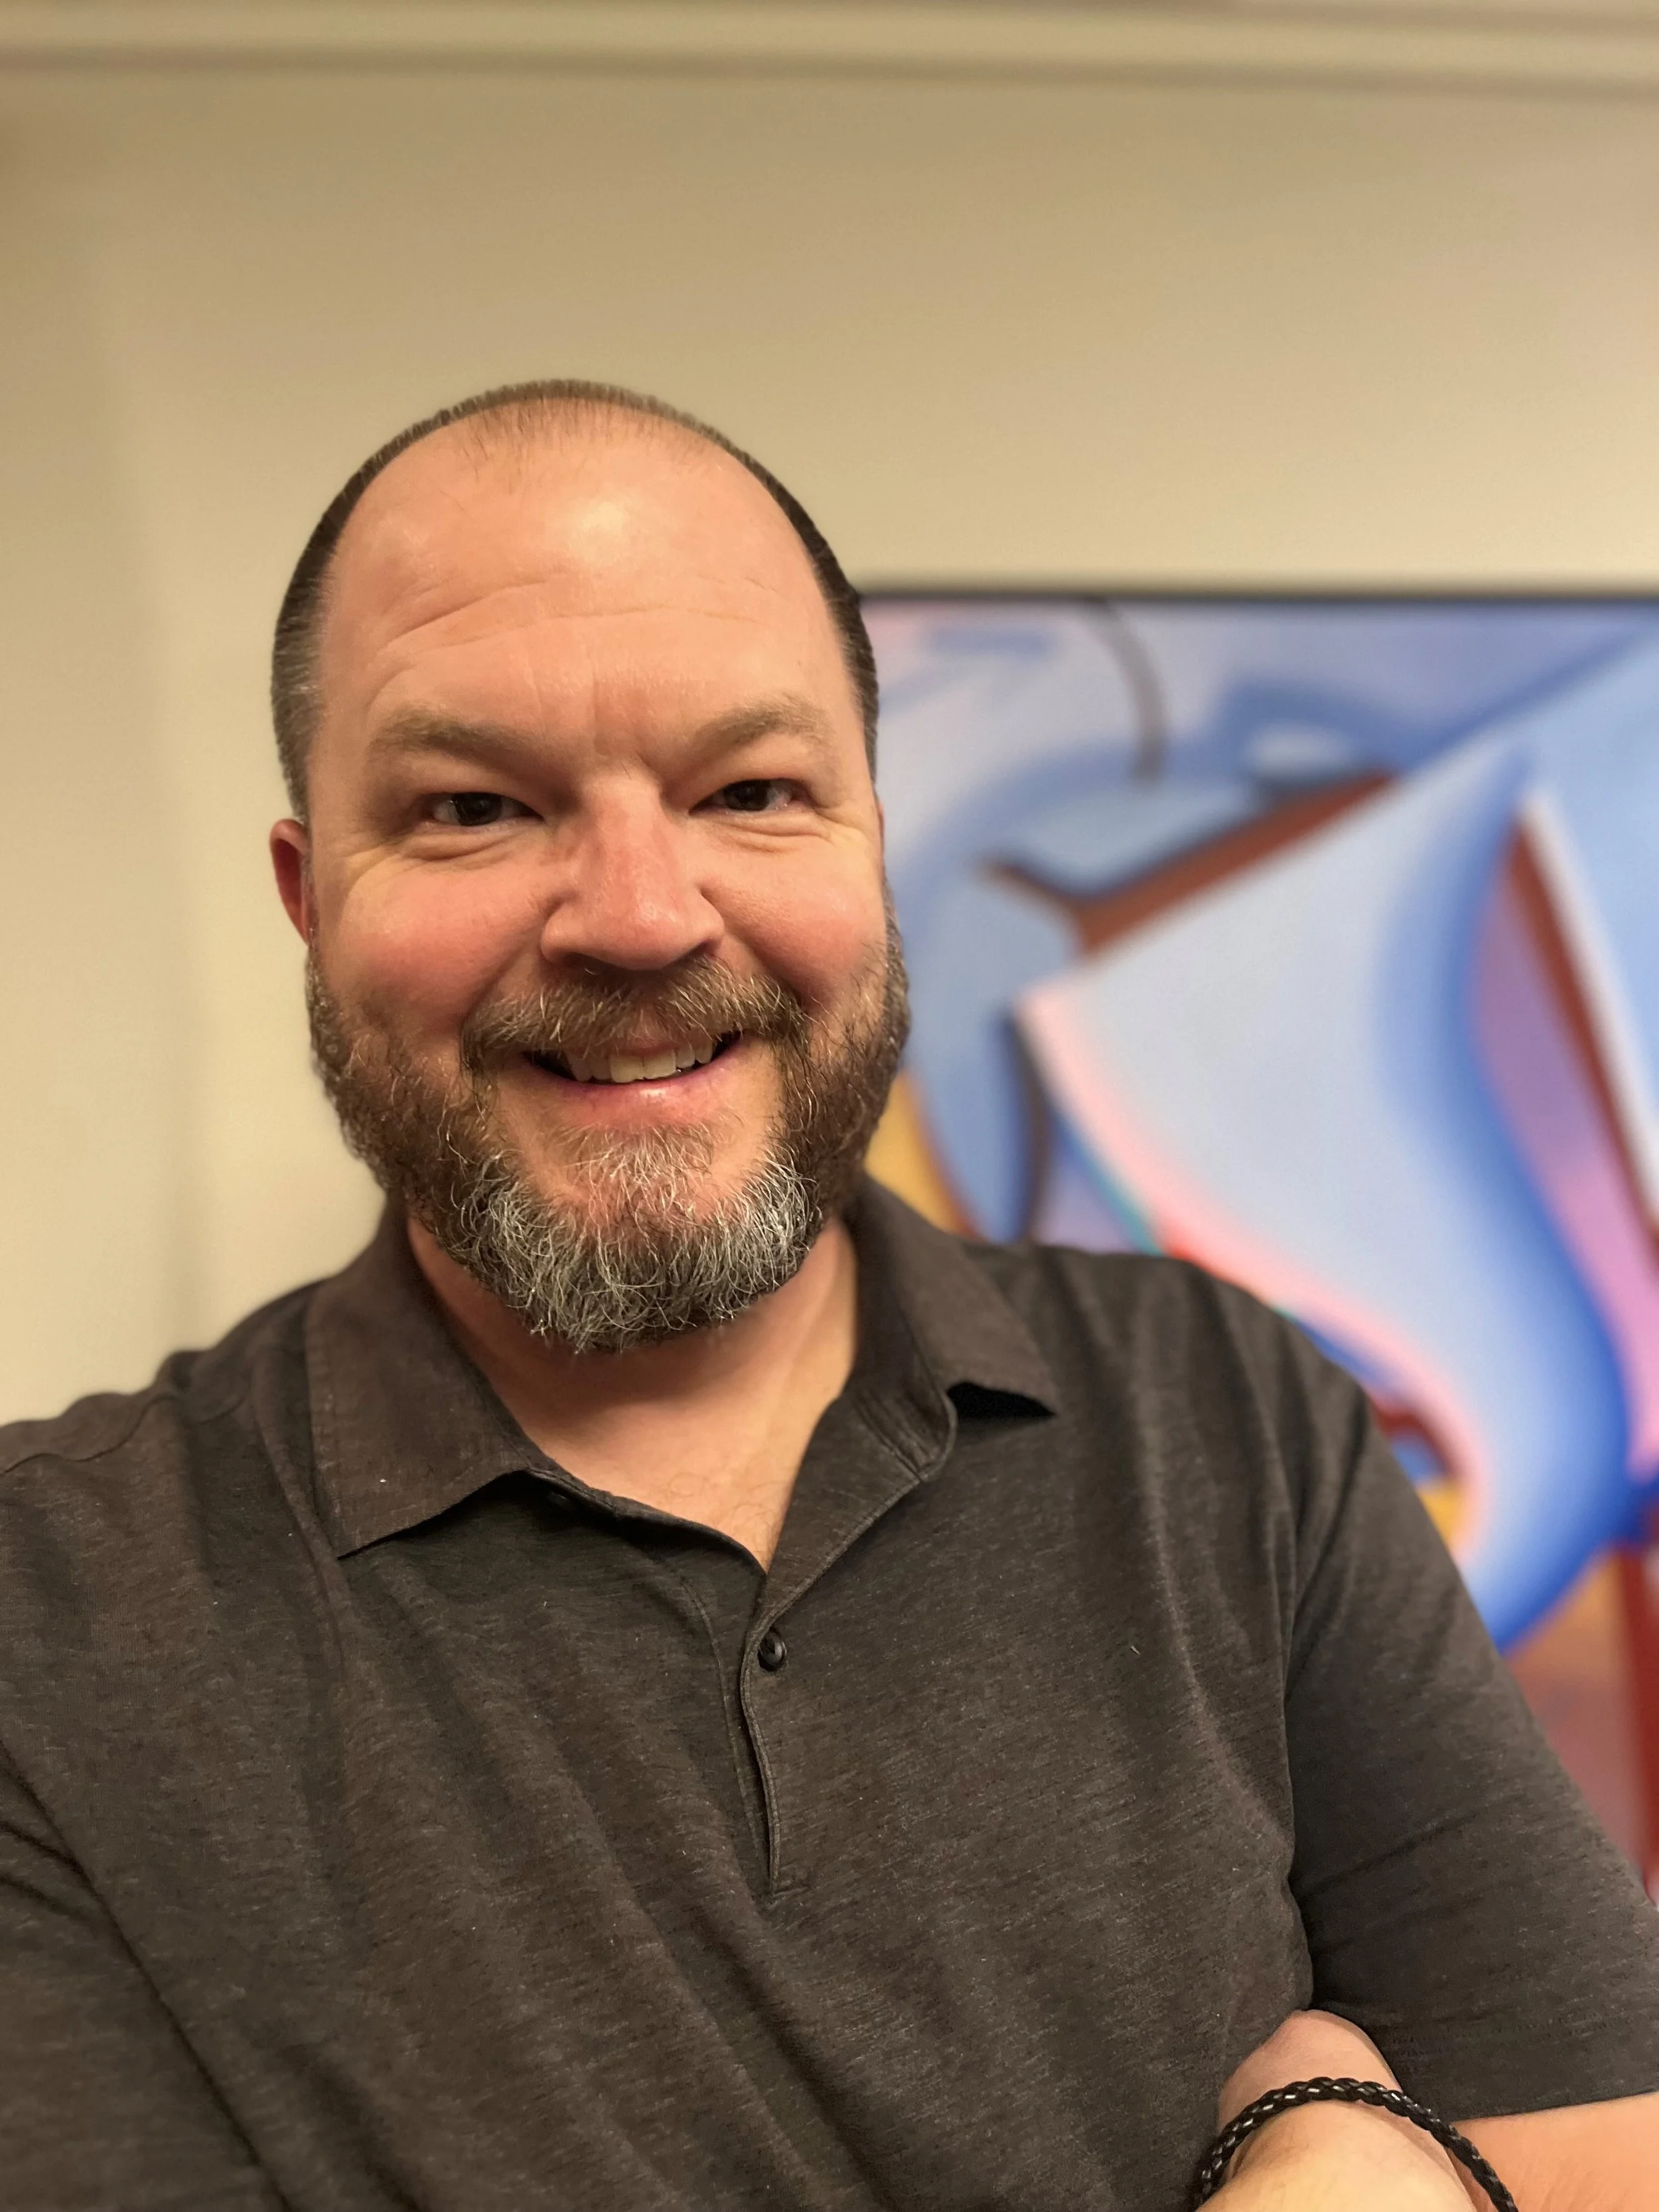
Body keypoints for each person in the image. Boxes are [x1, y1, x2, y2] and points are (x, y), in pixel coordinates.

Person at [1, 381, 1655, 2212]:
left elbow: (1605, 2155)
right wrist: (1338, 2161)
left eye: (751, 792)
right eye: (473, 806)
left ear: (870, 841)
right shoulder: (42, 1616)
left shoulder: (1225, 1409)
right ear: (312, 898)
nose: (641, 915)